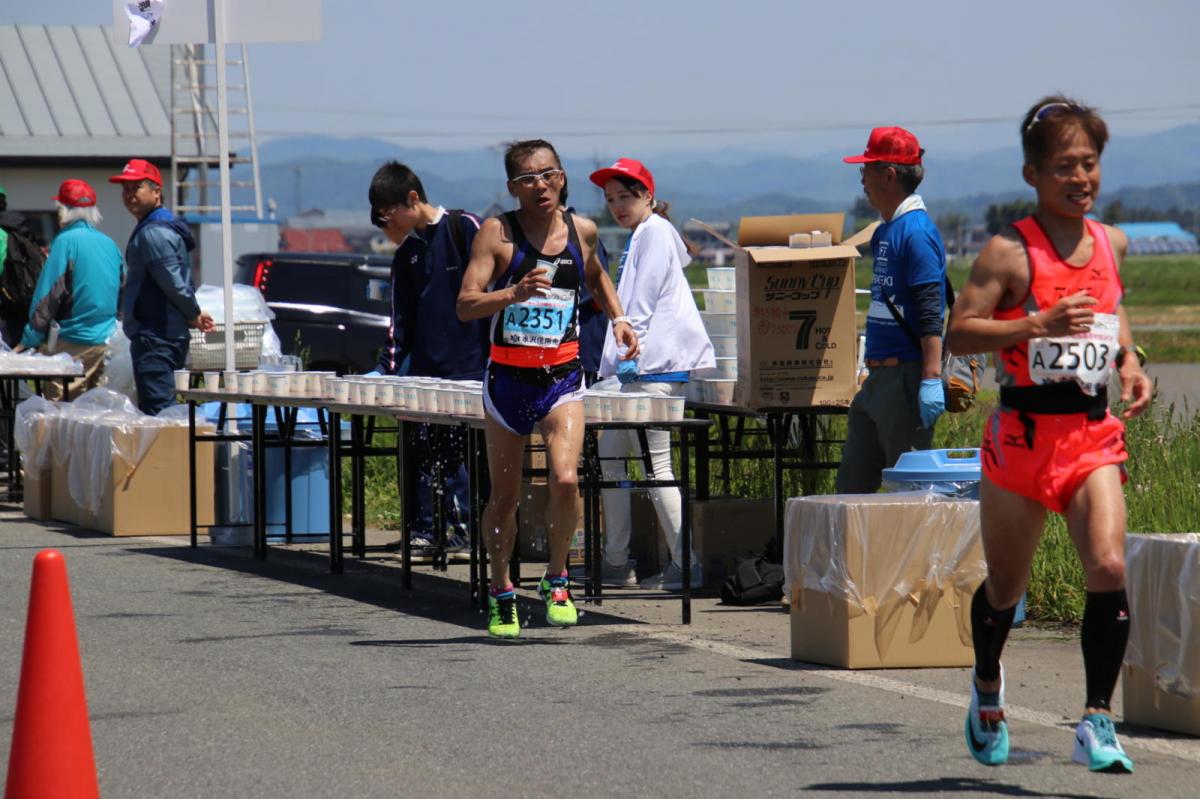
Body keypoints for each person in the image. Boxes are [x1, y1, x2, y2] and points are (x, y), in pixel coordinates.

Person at [945, 96, 1152, 773]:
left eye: (1089, 164)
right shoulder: (1010, 252)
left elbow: (1110, 314)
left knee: (1109, 565)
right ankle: (985, 686)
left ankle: (1096, 718)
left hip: (1090, 433)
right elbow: (960, 332)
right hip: (1022, 437)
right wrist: (1035, 324)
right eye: (1064, 166)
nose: (1080, 177)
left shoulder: (1111, 243)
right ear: (1033, 173)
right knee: (1006, 585)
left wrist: (1130, 359)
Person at [457, 139, 638, 639]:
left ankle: (557, 579)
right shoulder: (498, 235)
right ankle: (501, 589)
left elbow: (597, 276)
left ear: (562, 177)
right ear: (513, 188)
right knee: (505, 497)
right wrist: (512, 293)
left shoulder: (582, 229)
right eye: (528, 180)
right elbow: (466, 304)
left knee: (565, 480)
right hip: (508, 380)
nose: (540, 186)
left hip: (561, 377)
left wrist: (620, 318)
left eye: (548, 175)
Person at [587, 158, 714, 589]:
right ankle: (617, 561)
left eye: (625, 196)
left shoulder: (654, 232)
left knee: (656, 465)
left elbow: (639, 304)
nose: (617, 206)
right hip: (644, 369)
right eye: (610, 199)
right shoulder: (645, 233)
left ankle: (686, 564)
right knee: (613, 459)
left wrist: (626, 355)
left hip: (652, 368)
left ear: (647, 196)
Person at [368, 161, 487, 557]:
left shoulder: (465, 228)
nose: (388, 222)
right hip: (425, 374)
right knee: (422, 454)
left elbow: (496, 288)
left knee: (471, 457)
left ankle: (470, 531)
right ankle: (426, 530)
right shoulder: (407, 255)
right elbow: (399, 320)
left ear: (413, 198)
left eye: (390, 213)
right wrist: (388, 369)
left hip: (473, 368)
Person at [835, 127, 947, 493]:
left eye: (866, 169)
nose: (862, 180)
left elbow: (931, 312)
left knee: (912, 492)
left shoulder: (914, 232)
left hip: (905, 378)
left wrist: (930, 379)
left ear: (889, 174)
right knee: (852, 486)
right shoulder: (886, 230)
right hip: (878, 377)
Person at [109, 159, 214, 415]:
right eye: (125, 189)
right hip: (164, 332)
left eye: (136, 188)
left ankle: (171, 456)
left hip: (156, 335)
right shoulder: (158, 226)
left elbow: (172, 281)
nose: (129, 195)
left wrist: (192, 313)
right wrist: (192, 313)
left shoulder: (152, 232)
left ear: (156, 191)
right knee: (163, 409)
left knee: (159, 412)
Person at [13, 180, 123, 400]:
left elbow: (47, 297)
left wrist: (28, 340)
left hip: (73, 345)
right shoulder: (110, 244)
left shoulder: (65, 242)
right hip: (108, 343)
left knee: (58, 414)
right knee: (93, 419)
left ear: (63, 211)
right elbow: (121, 291)